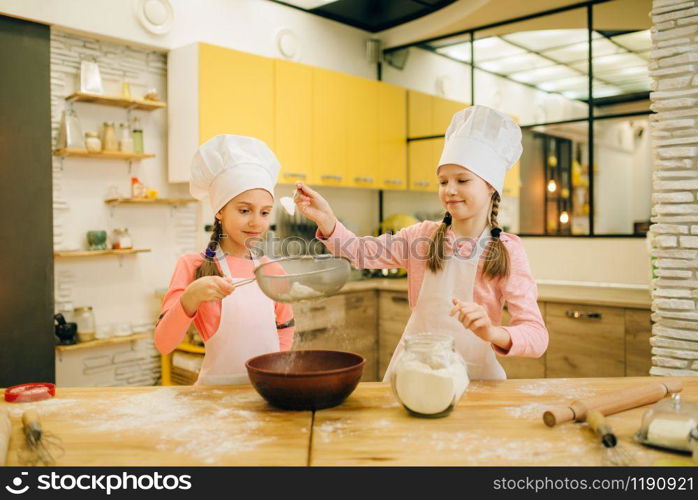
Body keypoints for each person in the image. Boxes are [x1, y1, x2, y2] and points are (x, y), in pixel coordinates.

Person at [296, 105, 548, 381]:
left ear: (490, 186)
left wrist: (491, 332)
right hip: (414, 373)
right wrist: (327, 220)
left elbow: (536, 336)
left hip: (474, 381)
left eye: (462, 180)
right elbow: (360, 252)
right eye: (443, 181)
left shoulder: (506, 251)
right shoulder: (421, 237)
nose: (450, 190)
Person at [154, 135, 294, 385]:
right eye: (244, 210)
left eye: (264, 212)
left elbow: (284, 329)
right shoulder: (193, 265)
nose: (256, 222)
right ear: (219, 210)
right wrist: (190, 297)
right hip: (214, 398)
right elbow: (164, 344)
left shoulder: (272, 269)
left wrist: (278, 376)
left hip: (267, 392)